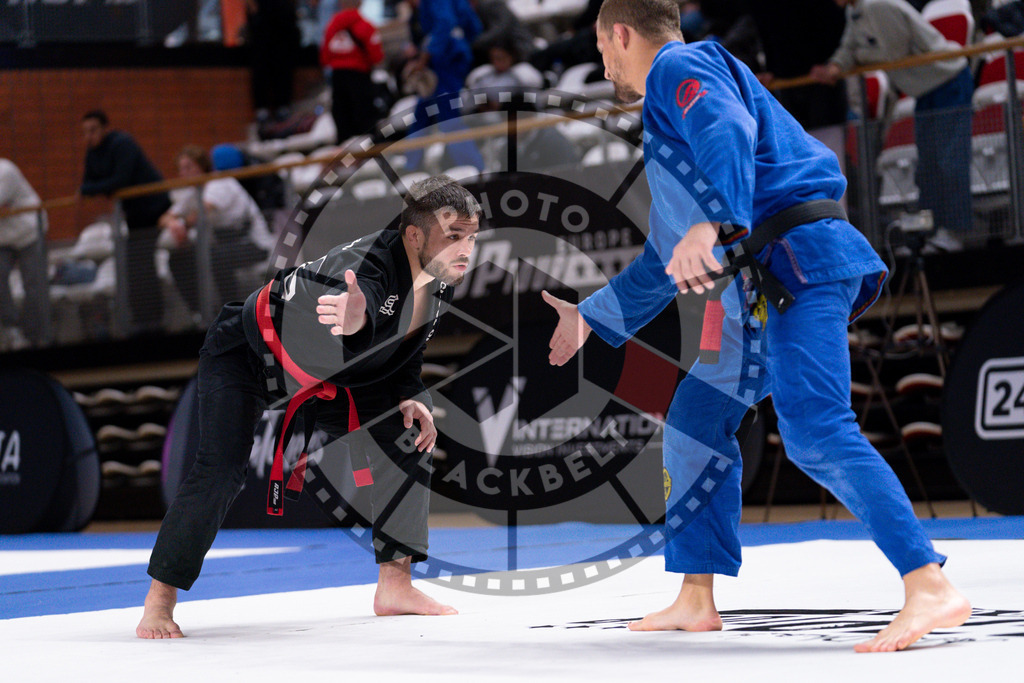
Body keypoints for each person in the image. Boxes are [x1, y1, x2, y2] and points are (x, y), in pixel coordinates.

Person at [541, 0, 970, 653]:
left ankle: (928, 581)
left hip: (800, 260)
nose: (602, 67)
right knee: (694, 420)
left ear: (620, 34)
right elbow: (663, 261)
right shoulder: (667, 119)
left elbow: (727, 127)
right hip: (758, 286)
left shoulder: (680, 67)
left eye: (601, 51)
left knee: (814, 426)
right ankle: (695, 596)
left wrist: (712, 222)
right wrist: (589, 317)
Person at [137, 175, 479, 639]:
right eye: (454, 236)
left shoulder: (439, 281)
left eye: (472, 237)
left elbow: (405, 359)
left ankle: (395, 586)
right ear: (415, 235)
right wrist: (356, 317)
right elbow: (360, 299)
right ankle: (159, 601)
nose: (465, 249)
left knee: (407, 434)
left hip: (325, 375)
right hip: (247, 355)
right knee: (220, 470)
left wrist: (414, 393)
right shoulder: (369, 264)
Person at [810, 0, 974, 250]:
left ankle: (955, 231)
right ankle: (931, 231)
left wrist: (855, 60)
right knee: (929, 164)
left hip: (948, 82)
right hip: (925, 89)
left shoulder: (878, 5)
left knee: (949, 161)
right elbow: (849, 46)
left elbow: (892, 53)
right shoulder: (856, 10)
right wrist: (836, 65)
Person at [80, 109, 172, 332]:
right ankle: (142, 319)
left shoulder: (122, 143)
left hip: (155, 208)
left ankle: (154, 320)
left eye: (93, 130)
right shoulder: (92, 153)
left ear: (105, 128)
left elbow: (121, 180)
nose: (89, 136)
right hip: (134, 214)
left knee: (143, 265)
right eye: (85, 132)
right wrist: (103, 187)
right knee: (135, 265)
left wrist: (101, 187)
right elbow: (85, 185)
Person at [158, 145, 276, 318]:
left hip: (254, 245)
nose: (184, 173)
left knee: (215, 256)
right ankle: (200, 313)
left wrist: (181, 223)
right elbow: (164, 218)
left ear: (202, 166)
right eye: (181, 169)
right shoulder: (193, 192)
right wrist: (173, 224)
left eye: (188, 167)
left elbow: (202, 211)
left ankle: (232, 312)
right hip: (222, 247)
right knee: (177, 259)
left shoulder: (220, 183)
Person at [321, 0, 385, 142]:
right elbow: (377, 56)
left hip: (337, 76)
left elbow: (324, 56)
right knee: (365, 118)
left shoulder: (331, 26)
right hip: (359, 75)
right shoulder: (365, 25)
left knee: (342, 116)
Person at [0, 158, 48, 350]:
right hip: (4, 239)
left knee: (33, 284)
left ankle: (34, 335)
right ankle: (12, 329)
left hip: (30, 232)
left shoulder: (5, 170)